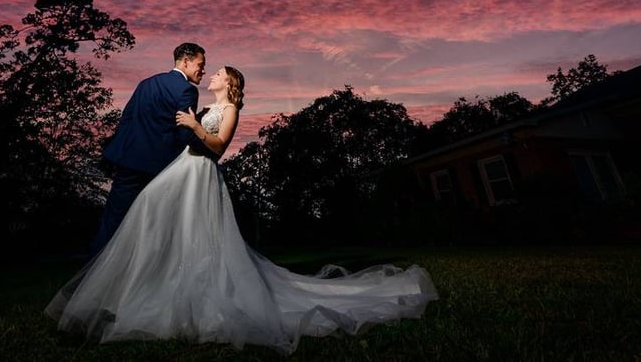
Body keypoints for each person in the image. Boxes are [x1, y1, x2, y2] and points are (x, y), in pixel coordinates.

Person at [46, 65, 438, 355]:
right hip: (182, 171)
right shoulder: (205, 106)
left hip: (200, 175)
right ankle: (144, 286)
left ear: (230, 83)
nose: (211, 75)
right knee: (155, 219)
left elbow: (217, 147)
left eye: (218, 73)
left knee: (197, 234)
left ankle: (189, 295)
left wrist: (194, 126)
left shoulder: (230, 109)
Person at [89, 42, 207, 255]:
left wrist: (124, 150)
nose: (203, 70)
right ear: (186, 61)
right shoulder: (187, 90)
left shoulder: (146, 83)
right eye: (201, 64)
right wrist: (209, 148)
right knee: (154, 224)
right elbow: (184, 133)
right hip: (159, 168)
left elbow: (126, 119)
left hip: (128, 160)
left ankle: (92, 269)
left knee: (113, 219)